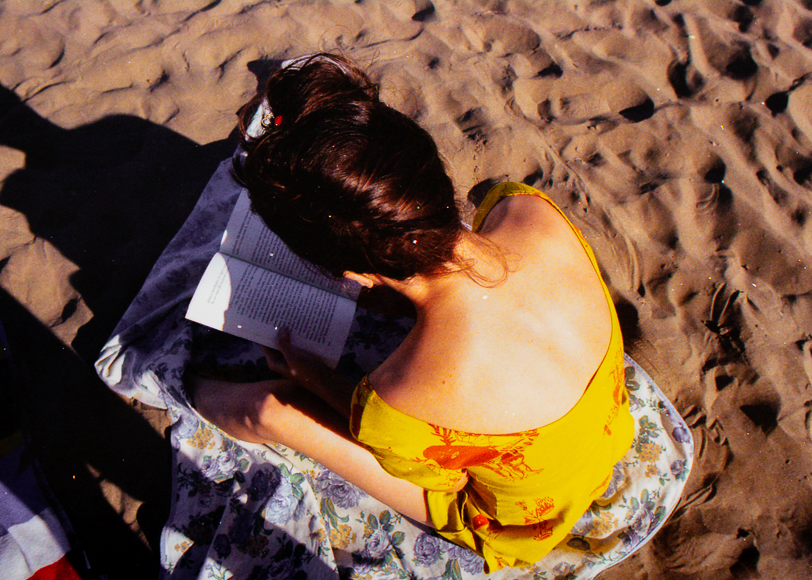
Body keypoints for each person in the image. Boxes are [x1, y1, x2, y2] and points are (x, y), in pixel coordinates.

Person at [190, 53, 634, 572]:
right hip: (604, 430)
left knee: (267, 410)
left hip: (521, 523)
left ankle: (185, 388)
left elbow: (445, 476)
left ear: (357, 275)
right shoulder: (525, 207)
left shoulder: (400, 396)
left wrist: (312, 378)